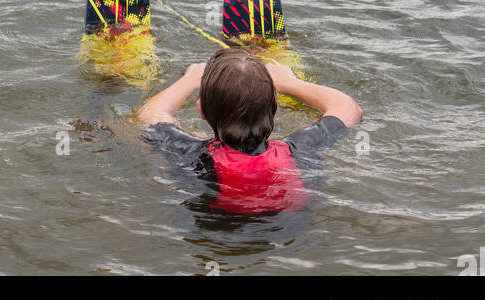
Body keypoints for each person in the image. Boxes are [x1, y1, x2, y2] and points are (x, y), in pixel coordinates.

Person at [136, 46, 362, 214]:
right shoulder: (300, 150)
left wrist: (189, 79)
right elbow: (348, 108)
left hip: (212, 231)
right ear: (274, 109)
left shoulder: (191, 154)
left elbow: (150, 114)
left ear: (201, 110)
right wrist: (289, 82)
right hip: (288, 232)